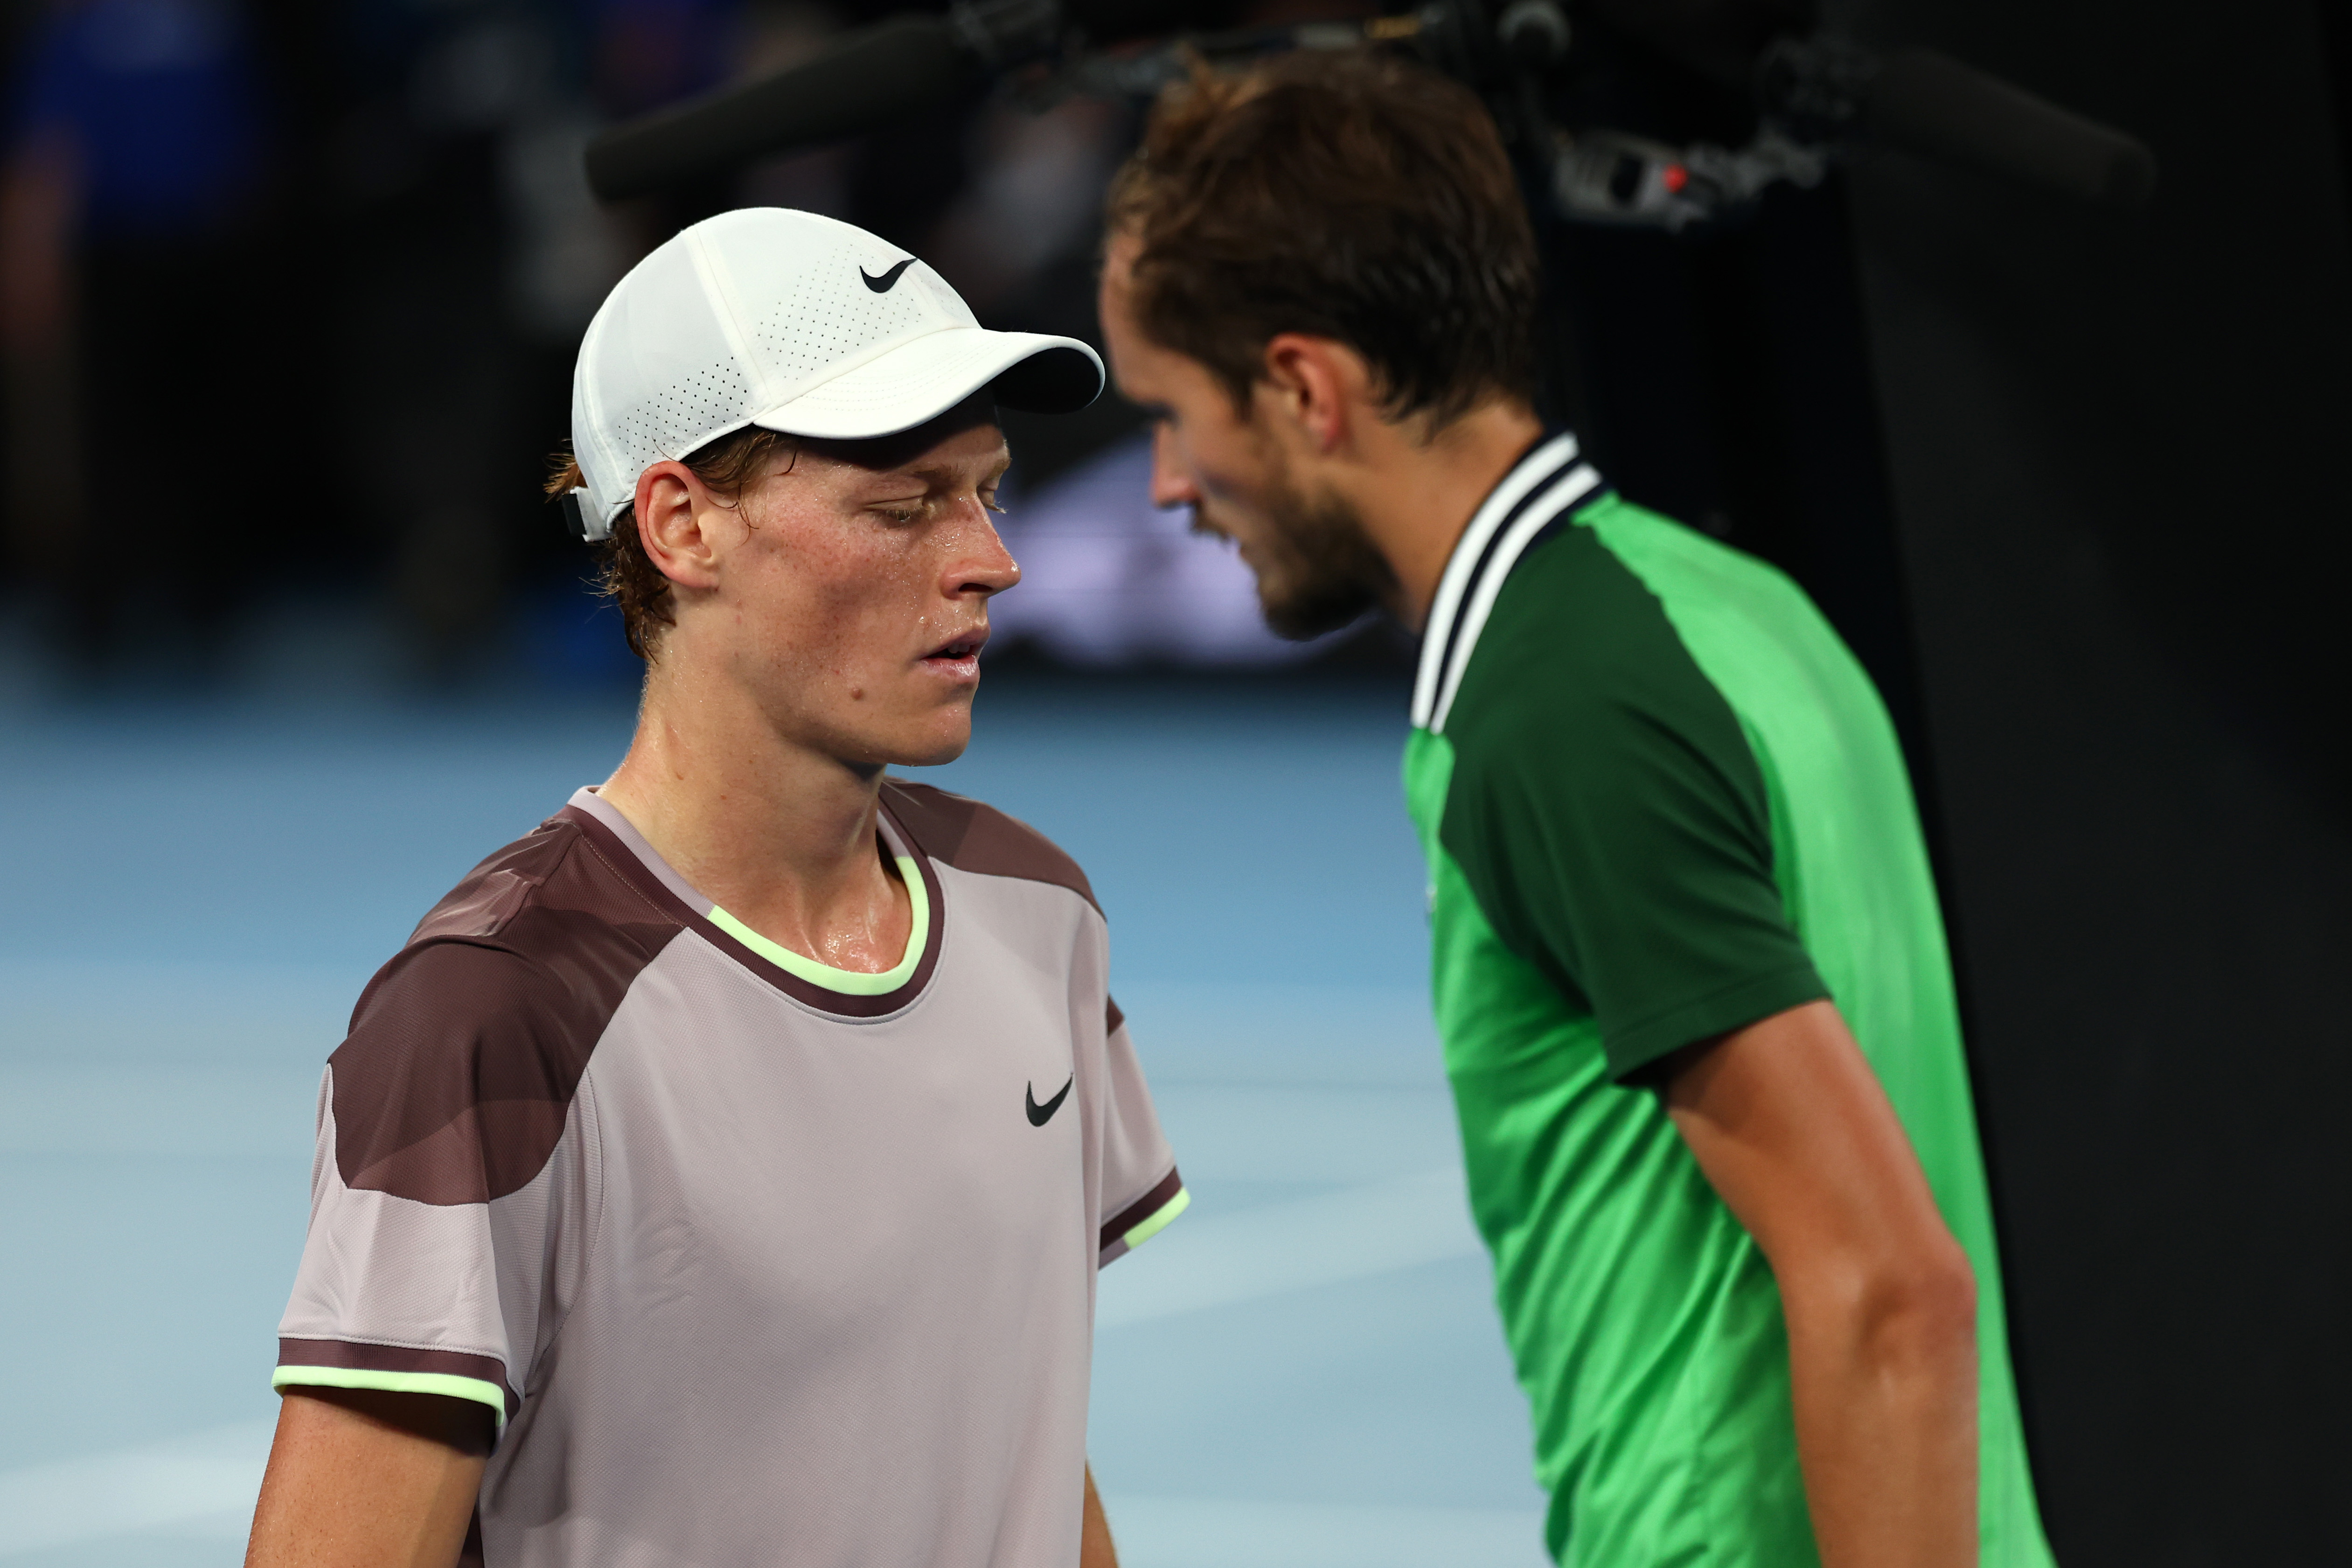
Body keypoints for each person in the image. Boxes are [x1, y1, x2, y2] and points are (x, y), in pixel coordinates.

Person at [1096, 52, 2054, 1568]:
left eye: (1172, 411)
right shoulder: (1731, 613)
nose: (1162, 483)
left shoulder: (1562, 707)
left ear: (1303, 387)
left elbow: (1889, 1289)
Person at [245, 208, 1185, 1568]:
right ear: (683, 524)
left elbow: (1016, 1430)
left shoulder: (1039, 912)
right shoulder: (492, 1018)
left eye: (987, 490)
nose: (990, 558)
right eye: (905, 503)